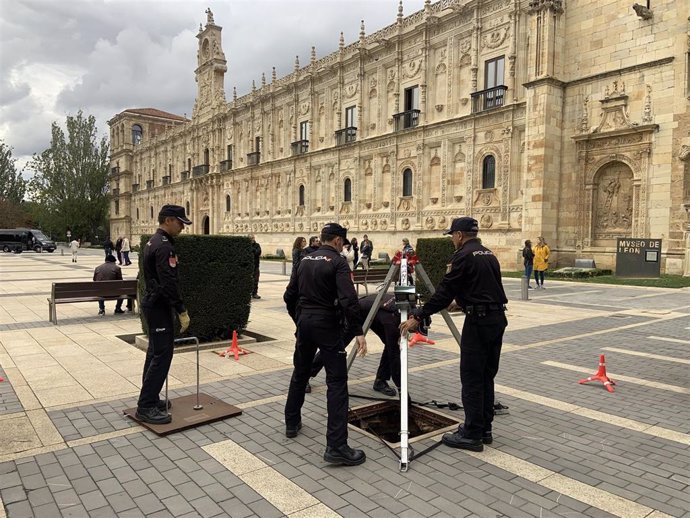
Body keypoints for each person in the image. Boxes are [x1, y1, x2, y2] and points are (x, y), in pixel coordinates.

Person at [400, 216, 508, 452]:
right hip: (497, 319)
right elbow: (489, 288)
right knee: (486, 376)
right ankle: (484, 429)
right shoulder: (488, 253)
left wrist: (418, 315)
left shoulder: (462, 256)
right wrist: (463, 303)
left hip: (478, 323)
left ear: (459, 235)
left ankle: (471, 434)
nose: (452, 241)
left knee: (471, 377)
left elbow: (444, 292)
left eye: (452, 236)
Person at [284, 222, 368, 466]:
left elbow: (289, 295)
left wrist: (299, 320)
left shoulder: (305, 259)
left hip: (306, 322)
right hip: (326, 324)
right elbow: (348, 299)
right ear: (339, 241)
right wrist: (358, 331)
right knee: (337, 382)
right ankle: (337, 446)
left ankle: (291, 422)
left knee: (300, 372)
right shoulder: (339, 262)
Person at [136, 204, 192, 425]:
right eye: (180, 223)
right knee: (163, 355)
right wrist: (181, 309)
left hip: (153, 302)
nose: (182, 227)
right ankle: (146, 405)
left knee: (154, 352)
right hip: (159, 305)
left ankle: (150, 397)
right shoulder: (164, 246)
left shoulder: (153, 241)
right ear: (168, 220)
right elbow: (168, 281)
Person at [310, 293, 401, 397]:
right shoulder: (392, 322)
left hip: (374, 313)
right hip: (357, 313)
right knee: (337, 345)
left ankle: (380, 381)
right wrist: (401, 387)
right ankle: (306, 376)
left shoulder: (408, 311)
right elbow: (394, 355)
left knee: (391, 344)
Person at [250, 234, 262, 299]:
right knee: (249, 280)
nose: (252, 239)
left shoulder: (257, 245)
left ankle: (255, 293)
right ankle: (249, 293)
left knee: (256, 280)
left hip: (256, 265)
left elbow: (258, 252)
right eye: (251, 238)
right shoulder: (246, 245)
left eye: (253, 237)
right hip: (249, 266)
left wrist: (253, 250)